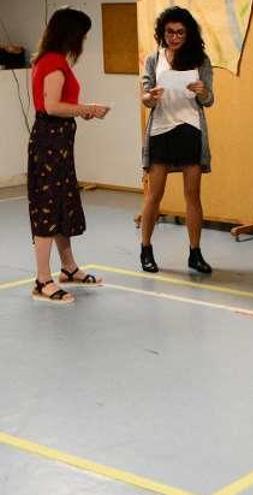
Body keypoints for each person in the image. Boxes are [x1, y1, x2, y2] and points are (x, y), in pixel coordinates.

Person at [28, 8, 109, 304]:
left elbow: (59, 105)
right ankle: (42, 279)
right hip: (49, 141)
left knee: (62, 203)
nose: (84, 41)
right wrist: (87, 108)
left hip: (58, 141)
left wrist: (81, 111)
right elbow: (51, 106)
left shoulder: (54, 61)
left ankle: (68, 267)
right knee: (47, 207)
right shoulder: (52, 62)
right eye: (83, 35)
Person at [139, 6, 214, 274]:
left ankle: (195, 253)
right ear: (163, 32)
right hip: (161, 130)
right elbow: (145, 96)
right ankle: (145, 249)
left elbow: (209, 100)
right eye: (170, 32)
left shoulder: (200, 60)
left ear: (188, 33)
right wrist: (151, 96)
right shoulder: (153, 59)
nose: (175, 37)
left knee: (192, 195)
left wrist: (202, 91)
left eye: (180, 32)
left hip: (190, 129)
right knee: (154, 194)